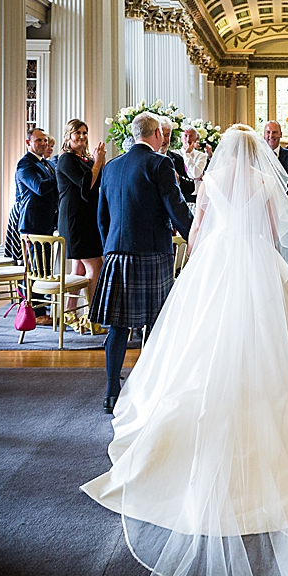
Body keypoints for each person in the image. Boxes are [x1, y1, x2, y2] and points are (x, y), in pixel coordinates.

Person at [81, 124, 288, 576]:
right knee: (272, 340)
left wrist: (207, 259)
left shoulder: (208, 179)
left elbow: (197, 231)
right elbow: (276, 235)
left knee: (195, 345)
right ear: (256, 152)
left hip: (214, 264)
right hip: (255, 262)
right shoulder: (266, 180)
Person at [89, 112, 193, 414]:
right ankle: (151, 389)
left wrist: (112, 248)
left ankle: (111, 391)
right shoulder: (160, 163)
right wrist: (196, 238)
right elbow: (176, 209)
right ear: (158, 134)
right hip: (151, 255)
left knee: (119, 327)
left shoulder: (111, 167)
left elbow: (102, 218)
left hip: (117, 253)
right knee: (156, 326)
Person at [56, 119, 106, 334]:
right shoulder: (66, 159)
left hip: (87, 218)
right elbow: (86, 186)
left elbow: (96, 183)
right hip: (75, 220)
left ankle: (69, 313)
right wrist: (97, 163)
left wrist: (99, 164)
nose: (83, 136)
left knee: (79, 268)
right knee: (95, 265)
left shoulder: (82, 159)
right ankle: (91, 317)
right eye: (78, 133)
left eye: (85, 132)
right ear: (69, 135)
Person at [4, 128, 58, 324]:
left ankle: (40, 308)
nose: (44, 143)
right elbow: (40, 188)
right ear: (28, 143)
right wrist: (59, 172)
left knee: (43, 268)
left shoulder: (44, 163)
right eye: (39, 141)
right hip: (32, 224)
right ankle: (34, 312)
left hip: (45, 224)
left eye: (45, 140)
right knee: (34, 269)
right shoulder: (25, 164)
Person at [160, 117, 194, 203]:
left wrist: (178, 179)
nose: (164, 139)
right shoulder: (146, 159)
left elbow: (190, 187)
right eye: (161, 134)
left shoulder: (177, 158)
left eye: (167, 135)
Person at [177, 125, 209, 198]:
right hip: (179, 194)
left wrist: (187, 154)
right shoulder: (175, 154)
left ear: (196, 138)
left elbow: (196, 174)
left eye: (191, 136)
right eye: (185, 136)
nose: (188, 139)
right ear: (181, 138)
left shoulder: (202, 156)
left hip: (195, 194)